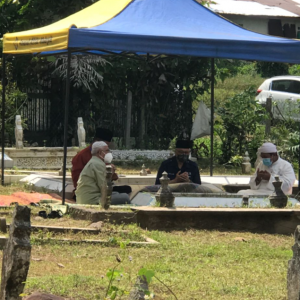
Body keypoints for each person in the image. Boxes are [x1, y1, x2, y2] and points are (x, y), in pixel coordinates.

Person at [71, 127, 131, 197]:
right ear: (97, 142)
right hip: (88, 191)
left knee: (127, 189)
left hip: (101, 188)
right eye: (105, 147)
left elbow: (110, 178)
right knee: (123, 197)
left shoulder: (102, 156)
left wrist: (111, 173)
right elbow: (77, 181)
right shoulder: (81, 156)